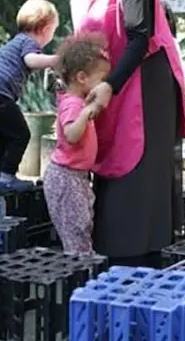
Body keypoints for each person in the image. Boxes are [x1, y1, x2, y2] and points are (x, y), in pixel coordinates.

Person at [55, 0, 185, 267]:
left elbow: (139, 37)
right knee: (105, 156)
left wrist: (109, 86)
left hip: (144, 81)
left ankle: (139, 256)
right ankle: (110, 252)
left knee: (137, 164)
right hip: (107, 81)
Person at [0, 0, 60, 191]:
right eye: (53, 31)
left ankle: (0, 178)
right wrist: (58, 60)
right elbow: (31, 61)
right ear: (45, 29)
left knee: (8, 136)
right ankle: (6, 178)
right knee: (21, 134)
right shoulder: (29, 42)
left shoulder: (18, 40)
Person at [42, 33, 110, 253]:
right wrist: (86, 113)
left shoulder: (76, 101)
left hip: (75, 177)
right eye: (101, 79)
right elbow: (71, 134)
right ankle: (80, 273)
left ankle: (82, 268)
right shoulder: (73, 104)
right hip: (66, 178)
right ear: (82, 77)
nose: (104, 85)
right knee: (76, 230)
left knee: (81, 225)